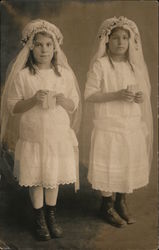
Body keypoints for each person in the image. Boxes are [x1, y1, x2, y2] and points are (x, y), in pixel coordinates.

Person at [1, 19, 81, 240]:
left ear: (55, 47)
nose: (44, 49)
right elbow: (13, 107)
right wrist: (33, 100)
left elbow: (74, 104)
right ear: (30, 48)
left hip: (57, 136)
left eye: (48, 44)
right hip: (34, 136)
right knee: (36, 177)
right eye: (39, 45)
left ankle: (51, 215)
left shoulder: (64, 74)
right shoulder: (23, 76)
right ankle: (38, 218)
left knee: (52, 177)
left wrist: (63, 100)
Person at [84, 16, 153, 228]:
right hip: (109, 125)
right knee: (110, 162)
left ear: (131, 42)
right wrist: (116, 95)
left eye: (125, 38)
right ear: (107, 40)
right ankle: (107, 204)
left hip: (130, 125)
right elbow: (90, 95)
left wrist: (140, 97)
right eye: (116, 38)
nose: (121, 42)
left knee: (126, 162)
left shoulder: (134, 67)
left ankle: (122, 201)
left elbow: (142, 93)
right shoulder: (101, 65)